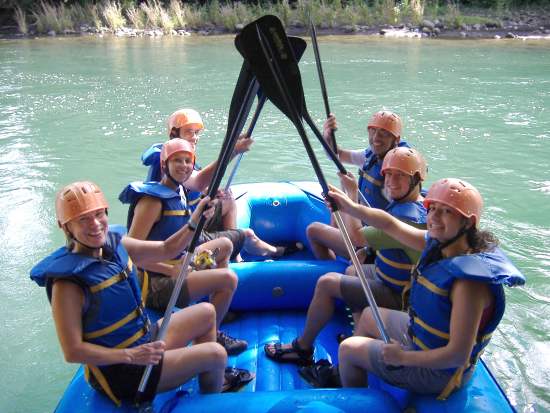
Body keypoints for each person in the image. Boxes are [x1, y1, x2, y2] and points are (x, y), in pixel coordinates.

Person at [30, 181, 253, 406]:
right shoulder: (67, 284)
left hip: (143, 340)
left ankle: (207, 384)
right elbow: (72, 351)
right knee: (216, 354)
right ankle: (211, 397)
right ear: (66, 227)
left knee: (206, 312)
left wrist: (194, 221)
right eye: (83, 219)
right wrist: (130, 356)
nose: (96, 224)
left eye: (99, 214)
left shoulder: (116, 244)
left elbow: (167, 249)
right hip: (122, 370)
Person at [327, 178, 524, 399]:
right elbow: (390, 224)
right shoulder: (441, 244)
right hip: (421, 338)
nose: (434, 218)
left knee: (348, 348)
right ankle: (351, 371)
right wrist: (350, 207)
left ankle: (356, 394)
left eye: (447, 212)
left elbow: (457, 355)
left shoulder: (469, 285)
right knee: (368, 316)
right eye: (433, 210)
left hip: (440, 373)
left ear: (468, 223)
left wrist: (402, 358)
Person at [263, 147, 428, 367]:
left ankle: (302, 347)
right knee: (350, 271)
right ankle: (360, 336)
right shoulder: (410, 205)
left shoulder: (408, 216)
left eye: (399, 175)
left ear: (416, 180)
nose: (390, 181)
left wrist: (350, 196)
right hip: (389, 276)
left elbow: (356, 237)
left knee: (327, 283)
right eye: (388, 174)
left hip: (398, 294)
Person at [121, 139, 248, 355]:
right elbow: (129, 254)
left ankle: (213, 310)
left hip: (179, 263)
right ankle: (211, 333)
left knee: (225, 244)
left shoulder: (179, 191)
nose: (184, 165)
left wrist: (202, 219)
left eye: (188, 161)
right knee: (229, 280)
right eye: (177, 160)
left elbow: (180, 236)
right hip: (154, 282)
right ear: (164, 165)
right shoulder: (152, 202)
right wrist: (169, 269)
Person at [142, 108, 299, 260]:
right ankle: (276, 252)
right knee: (247, 234)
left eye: (197, 133)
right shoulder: (169, 163)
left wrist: (209, 193)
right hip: (183, 234)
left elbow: (194, 189)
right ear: (174, 133)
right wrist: (232, 151)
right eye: (189, 132)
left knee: (228, 201)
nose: (195, 137)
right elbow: (197, 182)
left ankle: (235, 256)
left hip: (192, 217)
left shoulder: (180, 159)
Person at [307, 110, 409, 260]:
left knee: (313, 230)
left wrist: (352, 192)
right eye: (373, 131)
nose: (376, 138)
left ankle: (333, 265)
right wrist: (328, 137)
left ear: (396, 139)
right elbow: (337, 155)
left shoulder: (396, 177)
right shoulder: (372, 155)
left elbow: (393, 222)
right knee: (335, 198)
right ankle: (338, 251)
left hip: (368, 239)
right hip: (362, 225)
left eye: (384, 133)